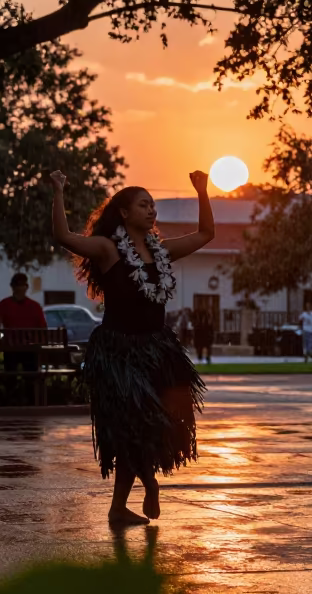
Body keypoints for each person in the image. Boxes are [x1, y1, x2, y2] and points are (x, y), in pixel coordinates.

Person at [51, 168, 215, 526]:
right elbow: (62, 235)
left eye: (153, 205)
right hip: (118, 355)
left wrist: (202, 191)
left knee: (154, 427)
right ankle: (149, 482)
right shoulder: (108, 250)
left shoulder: (161, 251)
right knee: (129, 427)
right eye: (144, 205)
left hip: (158, 351)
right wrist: (59, 190)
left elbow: (206, 234)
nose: (151, 210)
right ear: (124, 213)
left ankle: (118, 507)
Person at [0, 273, 48, 403]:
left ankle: (11, 400)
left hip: (13, 347)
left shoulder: (5, 304)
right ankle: (30, 400)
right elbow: (43, 328)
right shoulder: (34, 306)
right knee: (30, 375)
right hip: (28, 347)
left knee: (11, 374)